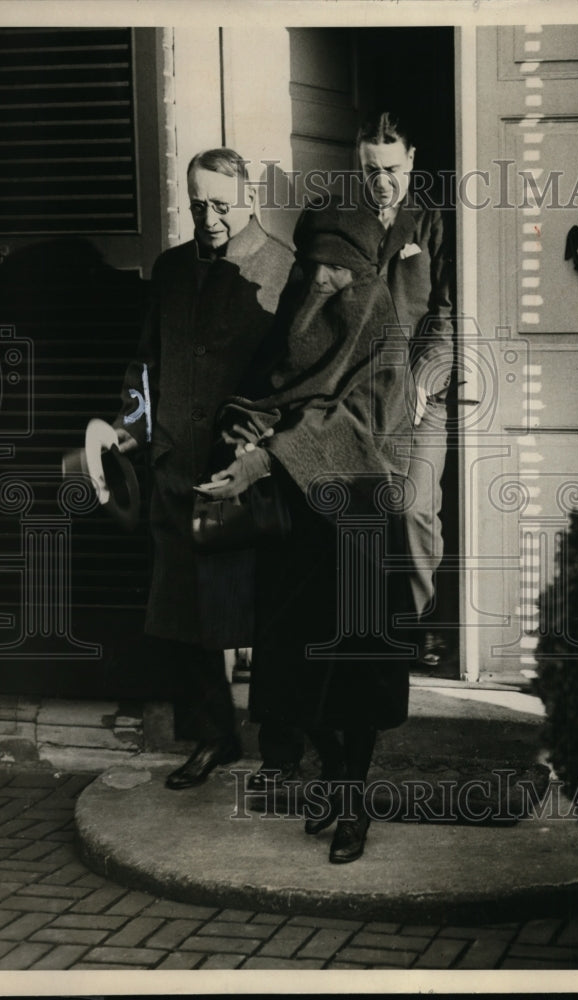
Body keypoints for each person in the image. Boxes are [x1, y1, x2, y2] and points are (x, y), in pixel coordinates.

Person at [200, 205, 414, 863]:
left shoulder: (381, 330)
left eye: (335, 268)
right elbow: (266, 386)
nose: (319, 278)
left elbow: (363, 425)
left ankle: (352, 802)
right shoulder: (302, 306)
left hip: (356, 524)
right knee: (295, 666)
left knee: (353, 674)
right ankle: (332, 775)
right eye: (313, 263)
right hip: (296, 522)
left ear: (360, 270)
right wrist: (243, 424)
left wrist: (267, 457)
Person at [114, 147, 295, 790]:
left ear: (248, 199)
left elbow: (295, 379)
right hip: (175, 466)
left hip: (244, 475)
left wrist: (258, 447)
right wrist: (134, 429)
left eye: (221, 205)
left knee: (260, 610)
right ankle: (214, 736)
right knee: (184, 613)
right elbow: (144, 363)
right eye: (198, 205)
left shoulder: (284, 269)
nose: (209, 218)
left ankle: (283, 749)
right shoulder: (169, 269)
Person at [356, 110, 455, 627]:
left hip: (420, 391)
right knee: (362, 507)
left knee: (414, 507)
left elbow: (446, 310)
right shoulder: (345, 219)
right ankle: (370, 629)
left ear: (411, 160)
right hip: (359, 391)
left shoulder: (434, 220)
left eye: (391, 169)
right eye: (371, 170)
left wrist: (427, 373)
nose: (381, 182)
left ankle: (418, 626)